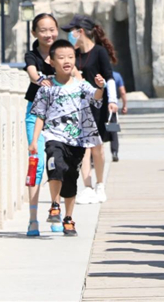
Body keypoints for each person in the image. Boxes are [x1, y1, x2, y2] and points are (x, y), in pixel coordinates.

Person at [29, 39, 106, 236]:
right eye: (61, 57)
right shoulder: (46, 88)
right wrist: (34, 141)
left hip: (77, 140)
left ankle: (68, 219)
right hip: (54, 136)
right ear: (51, 61)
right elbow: (40, 115)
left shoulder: (81, 85)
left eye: (71, 57)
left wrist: (100, 87)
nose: (67, 61)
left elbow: (96, 99)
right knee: (55, 166)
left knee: (71, 178)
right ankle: (55, 205)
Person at [61, 15, 119, 204]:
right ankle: (87, 186)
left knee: (97, 148)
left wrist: (112, 100)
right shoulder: (73, 54)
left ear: (81, 31)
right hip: (78, 107)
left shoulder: (99, 52)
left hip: (98, 105)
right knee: (83, 147)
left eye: (72, 31)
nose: (70, 35)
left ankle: (100, 184)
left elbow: (109, 77)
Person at [23, 13, 59, 236]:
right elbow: (32, 73)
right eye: (43, 30)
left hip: (59, 115)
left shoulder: (63, 52)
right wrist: (40, 80)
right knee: (36, 162)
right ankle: (33, 219)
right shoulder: (32, 55)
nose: (49, 34)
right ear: (35, 33)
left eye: (52, 29)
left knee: (58, 163)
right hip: (34, 114)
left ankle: (56, 211)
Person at [109, 71, 127, 162]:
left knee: (96, 132)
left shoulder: (98, 75)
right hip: (112, 108)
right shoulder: (117, 75)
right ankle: (114, 152)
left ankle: (93, 158)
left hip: (99, 107)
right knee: (113, 131)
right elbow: (122, 92)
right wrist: (124, 105)